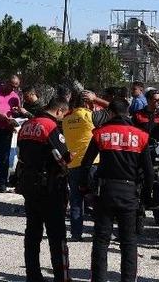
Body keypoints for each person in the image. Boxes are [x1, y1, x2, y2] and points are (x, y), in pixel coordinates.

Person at [82, 99, 153, 282]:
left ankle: (99, 279)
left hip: (105, 192)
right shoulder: (141, 136)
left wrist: (85, 188)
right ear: (127, 112)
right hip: (130, 192)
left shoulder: (100, 133)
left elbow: (86, 164)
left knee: (101, 239)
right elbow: (149, 171)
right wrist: (146, 195)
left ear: (111, 113)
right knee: (128, 241)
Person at [16, 98, 72, 282]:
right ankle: (61, 277)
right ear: (58, 111)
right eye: (63, 115)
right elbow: (63, 157)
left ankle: (33, 275)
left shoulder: (26, 126)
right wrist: (69, 159)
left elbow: (20, 155)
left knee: (32, 234)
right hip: (50, 186)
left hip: (29, 184)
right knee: (57, 236)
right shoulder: (50, 126)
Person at [62, 92, 99, 240]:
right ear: (86, 103)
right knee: (97, 199)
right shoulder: (90, 116)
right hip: (92, 163)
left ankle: (76, 233)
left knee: (76, 200)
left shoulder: (66, 119)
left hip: (73, 164)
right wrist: (95, 101)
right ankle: (99, 231)